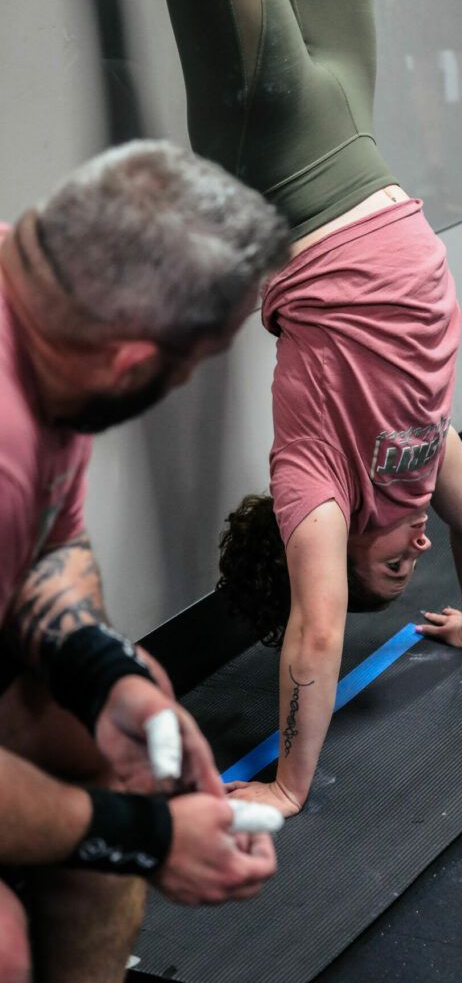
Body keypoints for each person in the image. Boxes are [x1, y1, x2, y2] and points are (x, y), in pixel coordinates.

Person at [163, 0, 462, 819]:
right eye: (412, 563)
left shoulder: (311, 487)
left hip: (274, 152)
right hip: (351, 123)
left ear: (340, 545)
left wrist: (289, 784)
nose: (416, 546)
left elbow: (316, 634)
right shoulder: (421, 454)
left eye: (390, 566)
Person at [0, 138, 289, 982]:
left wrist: (103, 674)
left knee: (112, 760)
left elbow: (52, 541)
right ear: (128, 360)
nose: (185, 381)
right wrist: (149, 841)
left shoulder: (47, 303)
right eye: (188, 365)